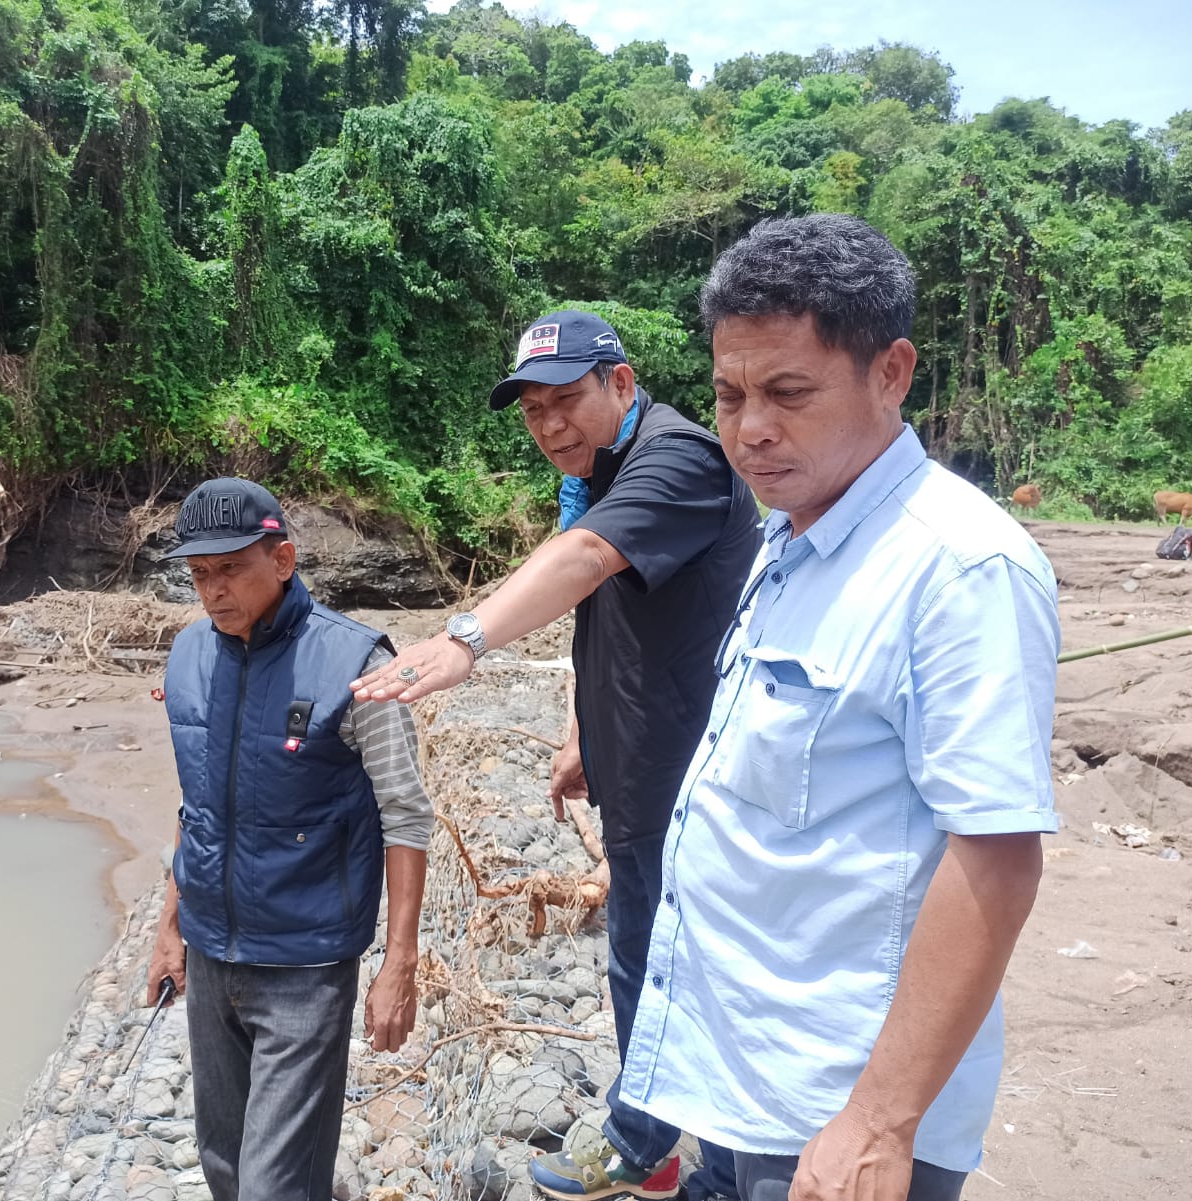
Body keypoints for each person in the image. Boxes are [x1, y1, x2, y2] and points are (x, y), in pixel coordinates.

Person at [617, 214, 1059, 1201]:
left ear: (891, 373)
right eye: (728, 394)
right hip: (738, 1088)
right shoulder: (792, 534)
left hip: (834, 1123)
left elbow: (996, 857)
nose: (749, 428)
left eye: (787, 392)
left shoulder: (958, 568)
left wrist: (877, 1119)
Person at [352, 310, 762, 1200]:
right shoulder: (602, 471)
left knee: (689, 964)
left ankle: (698, 1164)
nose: (548, 427)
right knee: (639, 948)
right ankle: (652, 1149)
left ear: (621, 382)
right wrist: (583, 735)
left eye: (565, 401)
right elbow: (604, 614)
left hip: (697, 776)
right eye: (533, 410)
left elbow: (584, 559)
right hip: (638, 760)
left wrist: (467, 637)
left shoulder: (679, 458)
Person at [143, 477, 432, 1201]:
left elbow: (405, 814)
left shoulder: (357, 665)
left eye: (231, 567)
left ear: (283, 558)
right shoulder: (188, 658)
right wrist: (169, 926)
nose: (213, 590)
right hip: (212, 954)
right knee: (225, 1164)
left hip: (307, 960)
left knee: (274, 1186)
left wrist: (400, 963)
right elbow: (198, 805)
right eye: (199, 573)